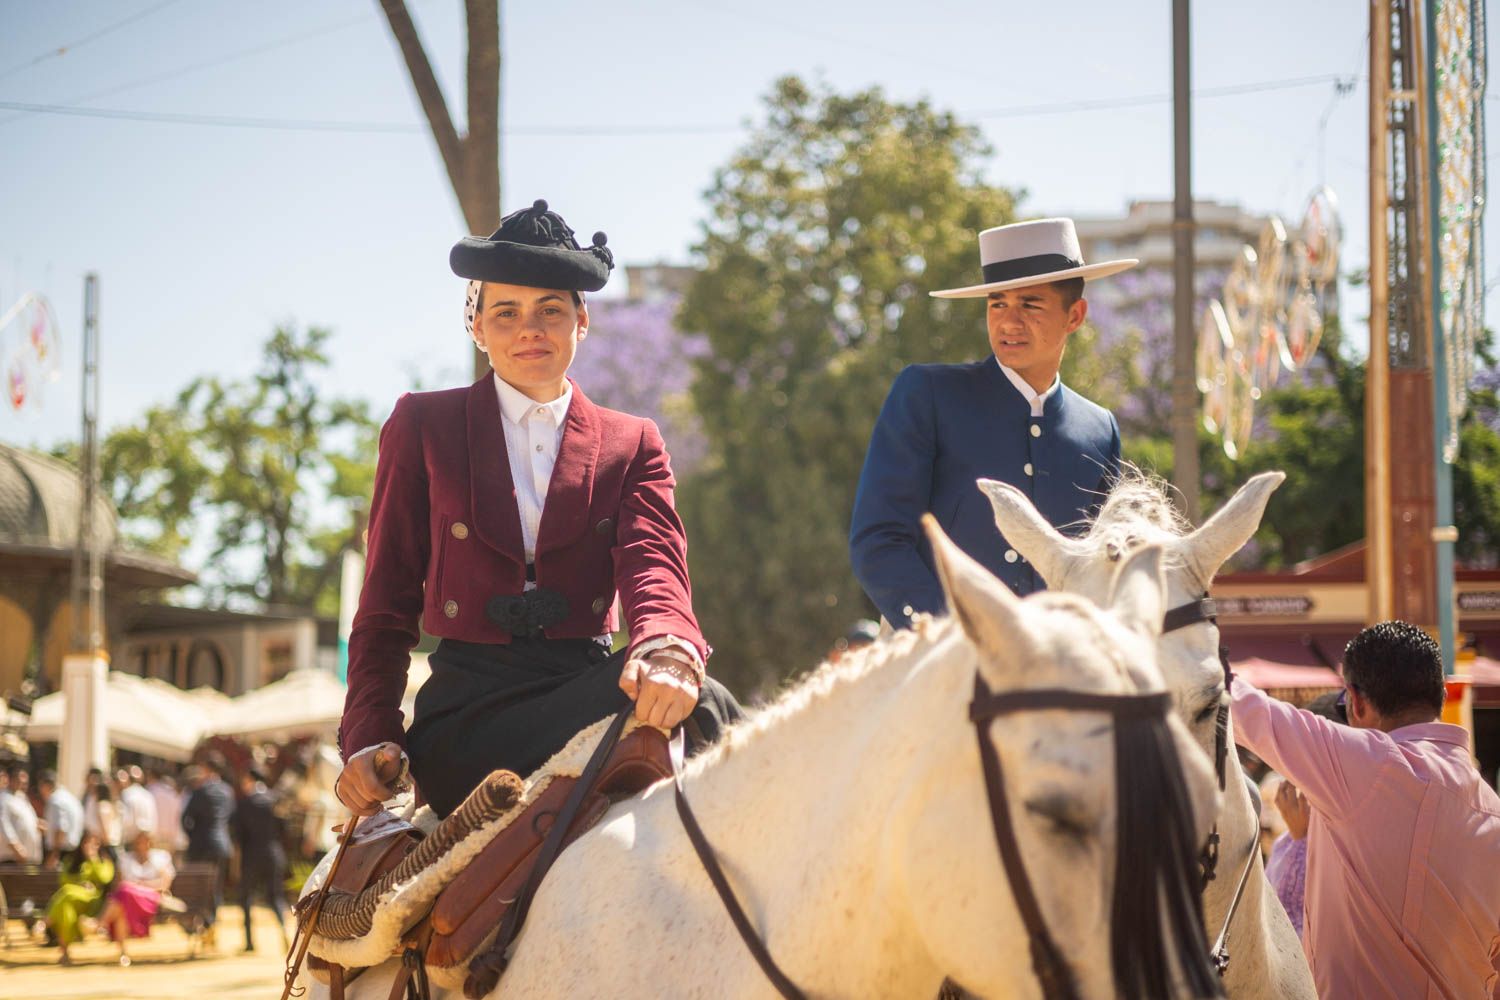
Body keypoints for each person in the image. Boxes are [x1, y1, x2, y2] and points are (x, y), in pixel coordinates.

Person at [337, 199, 743, 819]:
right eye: (506, 312)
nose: (530, 329)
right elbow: (386, 603)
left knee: (700, 699)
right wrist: (369, 733)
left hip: (590, 688)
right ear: (477, 328)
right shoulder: (423, 425)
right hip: (468, 721)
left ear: (582, 322)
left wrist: (663, 646)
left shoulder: (633, 442)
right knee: (709, 704)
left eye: (550, 310)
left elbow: (653, 564)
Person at [849, 218, 1134, 627]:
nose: (1009, 322)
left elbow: (1101, 566)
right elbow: (878, 542)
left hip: (1058, 666)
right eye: (997, 303)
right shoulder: (928, 394)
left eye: (1030, 304)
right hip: (935, 660)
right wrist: (958, 634)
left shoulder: (1099, 430)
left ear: (1075, 316)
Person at [1231, 621, 1500, 997]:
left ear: (1355, 702)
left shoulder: (1367, 767)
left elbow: (1239, 705)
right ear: (1440, 693)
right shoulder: (1491, 810)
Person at [231, 767, 288, 953]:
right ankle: (285, 930)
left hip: (251, 855)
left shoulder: (244, 803)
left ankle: (249, 942)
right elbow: (284, 829)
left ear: (249, 779)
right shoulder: (275, 800)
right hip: (274, 852)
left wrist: (236, 864)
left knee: (246, 897)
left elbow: (238, 837)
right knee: (276, 897)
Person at [98, 831, 176, 966]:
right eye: (139, 841)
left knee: (125, 891)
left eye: (145, 841)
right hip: (129, 899)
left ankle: (99, 923)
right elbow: (119, 883)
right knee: (123, 901)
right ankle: (123, 954)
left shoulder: (161, 857)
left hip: (150, 899)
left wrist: (142, 886)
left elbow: (164, 884)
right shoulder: (126, 859)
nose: (142, 845)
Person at [180, 756, 233, 937]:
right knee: (215, 887)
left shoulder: (200, 790)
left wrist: (193, 836)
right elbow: (230, 817)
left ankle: (203, 925)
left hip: (201, 846)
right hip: (222, 844)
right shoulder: (227, 791)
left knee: (198, 888)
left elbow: (185, 819)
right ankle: (212, 925)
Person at [45, 832, 116, 965]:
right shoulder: (72, 861)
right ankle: (65, 951)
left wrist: (93, 859)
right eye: (87, 843)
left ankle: (47, 920)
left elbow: (105, 878)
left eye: (95, 844)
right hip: (74, 899)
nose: (90, 847)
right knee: (66, 909)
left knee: (66, 893)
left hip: (94, 901)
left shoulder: (104, 861)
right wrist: (79, 884)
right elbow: (63, 879)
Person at [38, 769, 84, 865]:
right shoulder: (68, 797)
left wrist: (55, 854)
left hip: (61, 852)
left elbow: (61, 828)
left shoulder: (56, 800)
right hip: (72, 850)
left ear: (46, 785)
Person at [1, 766, 43, 863]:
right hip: (12, 857)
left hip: (28, 856)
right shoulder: (3, 798)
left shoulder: (22, 797)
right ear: (10, 779)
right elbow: (4, 825)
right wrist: (16, 847)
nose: (22, 784)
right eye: (19, 780)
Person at [116, 766, 157, 845]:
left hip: (131, 841)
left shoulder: (126, 793)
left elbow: (126, 821)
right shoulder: (148, 795)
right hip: (146, 841)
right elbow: (154, 820)